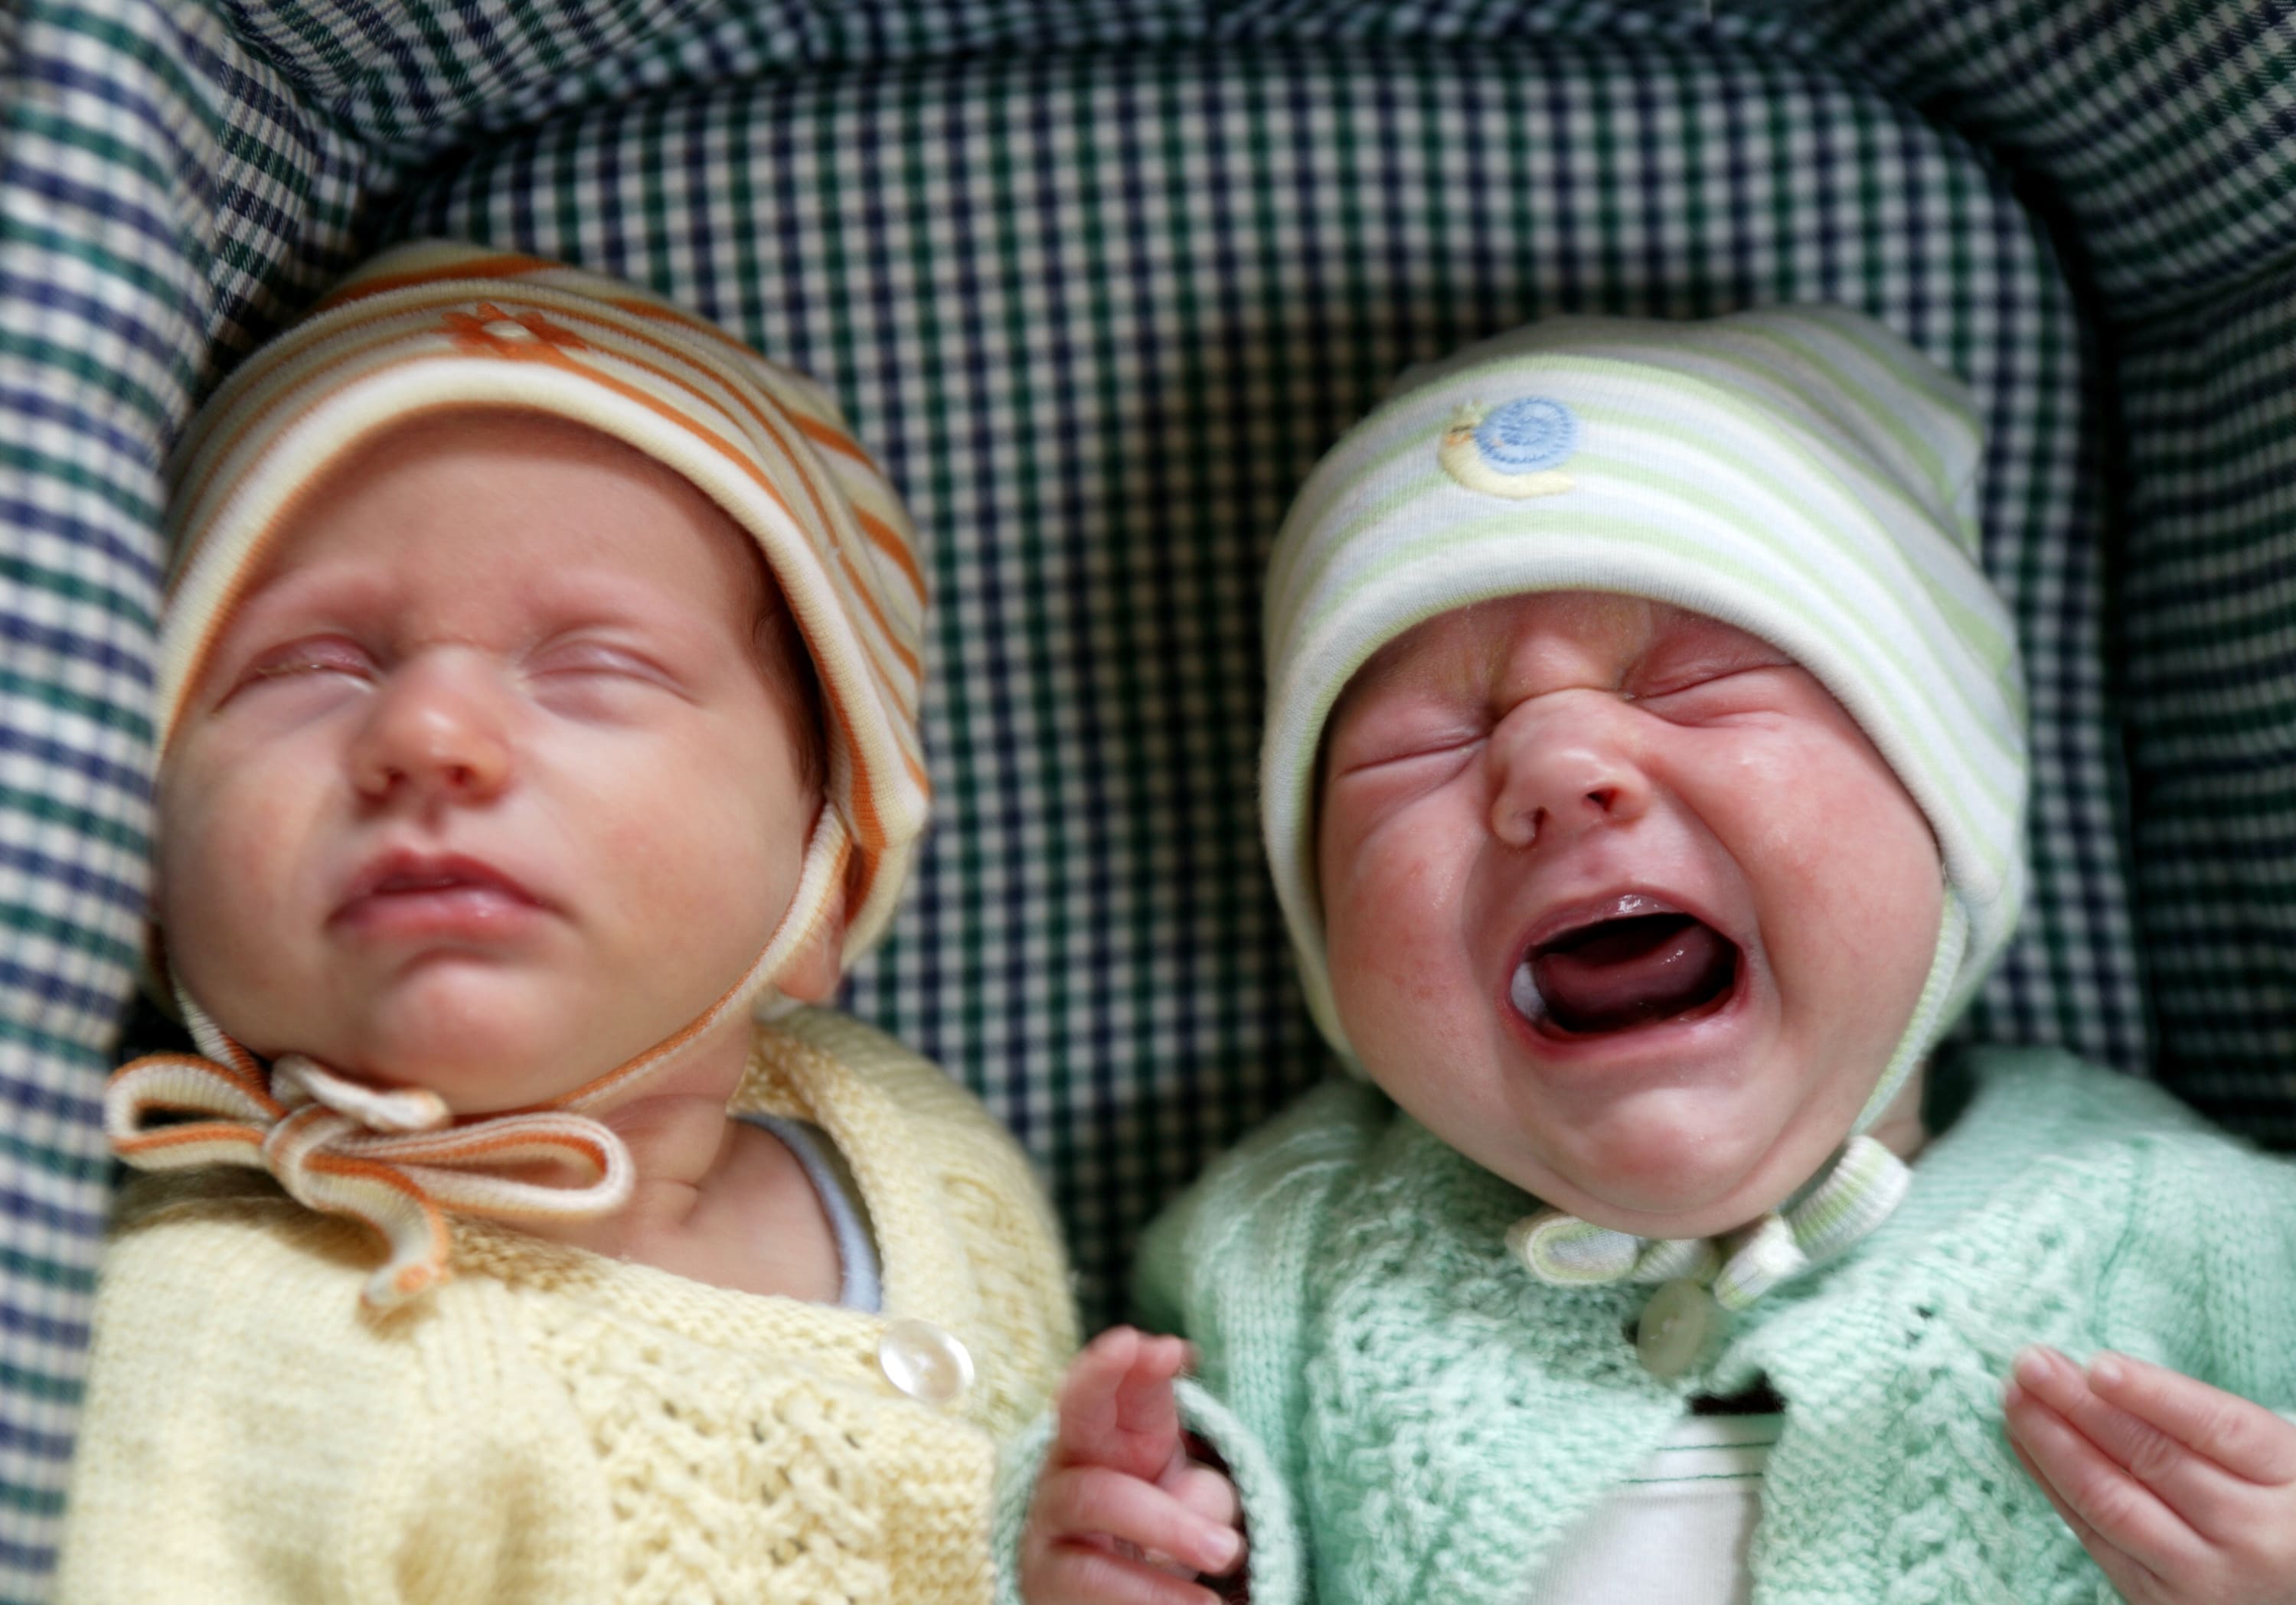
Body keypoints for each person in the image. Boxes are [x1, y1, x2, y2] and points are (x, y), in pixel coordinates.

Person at [1013, 308, 2296, 1605]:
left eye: (1691, 685)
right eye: (1422, 747)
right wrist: (1136, 1560)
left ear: (1943, 814)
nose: (1556, 765)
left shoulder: (2198, 1238)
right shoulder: (1274, 1260)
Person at [57, 241, 1076, 1605]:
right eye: (308, 665)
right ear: (145, 867)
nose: (430, 730)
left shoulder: (933, 1154)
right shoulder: (208, 1339)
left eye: (594, 665)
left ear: (823, 886)